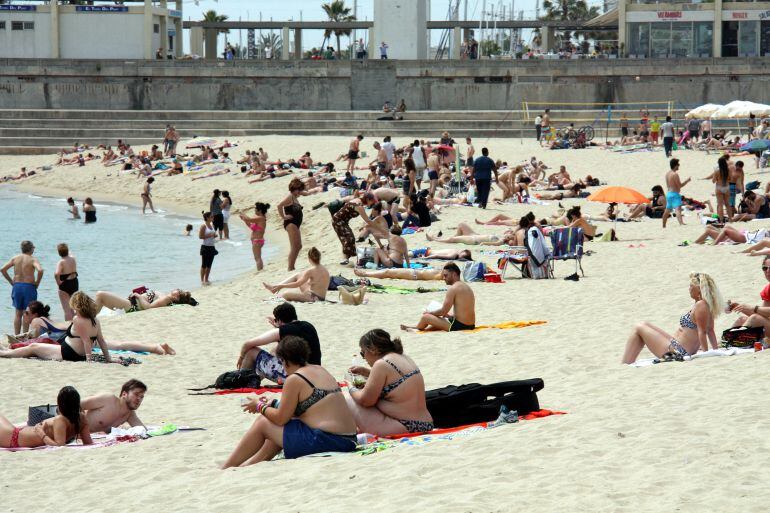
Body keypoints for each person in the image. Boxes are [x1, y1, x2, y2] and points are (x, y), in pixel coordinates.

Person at [223, 336, 356, 467]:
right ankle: (250, 464)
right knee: (282, 429)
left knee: (263, 422)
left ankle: (227, 466)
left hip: (330, 441)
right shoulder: (320, 370)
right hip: (348, 440)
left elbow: (281, 418)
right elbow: (307, 408)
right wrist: (273, 404)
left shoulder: (295, 379)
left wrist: (260, 406)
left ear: (284, 360)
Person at [346, 329, 433, 435]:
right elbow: (394, 380)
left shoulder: (381, 364)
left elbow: (366, 400)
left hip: (406, 426)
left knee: (348, 398)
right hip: (426, 424)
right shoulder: (403, 357)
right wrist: (367, 372)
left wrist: (350, 385)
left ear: (373, 349)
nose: (364, 358)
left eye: (363, 353)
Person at [622, 273, 722, 363]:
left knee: (639, 327)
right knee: (645, 324)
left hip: (677, 351)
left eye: (691, 286)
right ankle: (627, 363)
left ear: (699, 289)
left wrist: (706, 354)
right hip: (676, 345)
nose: (689, 289)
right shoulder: (704, 305)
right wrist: (715, 350)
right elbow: (710, 330)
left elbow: (703, 332)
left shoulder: (701, 305)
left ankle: (625, 365)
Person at [0, 292, 112, 363]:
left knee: (33, 347)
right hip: (76, 353)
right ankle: (8, 350)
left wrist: (89, 360)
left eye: (74, 307)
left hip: (68, 353)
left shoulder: (78, 320)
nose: (73, 310)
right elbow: (101, 340)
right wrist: (108, 359)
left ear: (77, 306)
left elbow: (86, 341)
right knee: (36, 347)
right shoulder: (95, 320)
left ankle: (5, 353)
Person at [237, 303, 322, 384]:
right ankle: (255, 378)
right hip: (314, 374)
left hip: (297, 376)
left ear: (280, 320)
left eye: (275, 320)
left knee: (251, 351)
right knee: (275, 350)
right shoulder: (308, 326)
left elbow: (247, 344)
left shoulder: (281, 331)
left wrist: (241, 358)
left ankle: (241, 381)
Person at [0, 386, 92, 449]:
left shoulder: (60, 420)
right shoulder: (82, 418)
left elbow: (60, 447)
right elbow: (88, 442)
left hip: (13, 438)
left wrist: (41, 434)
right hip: (14, 435)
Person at [401, 263, 476, 332]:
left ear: (454, 274)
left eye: (446, 275)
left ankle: (417, 328)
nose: (443, 278)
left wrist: (430, 313)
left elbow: (443, 311)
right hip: (471, 325)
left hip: (460, 326)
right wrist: (449, 315)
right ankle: (421, 329)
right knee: (443, 318)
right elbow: (465, 310)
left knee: (426, 317)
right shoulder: (466, 287)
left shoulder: (453, 288)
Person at [1, 240, 43, 334]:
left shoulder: (15, 258)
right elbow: (40, 270)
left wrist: (11, 281)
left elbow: (3, 269)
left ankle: (16, 336)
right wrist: (37, 282)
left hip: (17, 286)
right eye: (33, 248)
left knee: (17, 313)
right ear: (31, 249)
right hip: (29, 287)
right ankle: (24, 335)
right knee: (27, 312)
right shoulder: (32, 259)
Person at [263, 247, 329, 302]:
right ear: (319, 257)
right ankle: (274, 287)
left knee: (286, 294)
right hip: (320, 296)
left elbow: (297, 284)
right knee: (298, 275)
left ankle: (277, 289)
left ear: (309, 259)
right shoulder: (325, 269)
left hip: (314, 298)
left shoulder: (311, 271)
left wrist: (282, 286)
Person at [81, 379, 147, 434]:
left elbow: (143, 430)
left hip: (89, 439)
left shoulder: (129, 414)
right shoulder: (108, 399)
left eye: (141, 397)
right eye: (136, 394)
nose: (139, 399)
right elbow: (76, 404)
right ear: (124, 394)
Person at [332, 193, 378, 265]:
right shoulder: (359, 206)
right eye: (372, 201)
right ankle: (345, 259)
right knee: (349, 238)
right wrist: (378, 227)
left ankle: (346, 259)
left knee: (347, 239)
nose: (373, 204)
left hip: (341, 220)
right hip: (338, 220)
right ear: (368, 200)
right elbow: (367, 220)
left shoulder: (358, 201)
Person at [277, 178, 309, 271]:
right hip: (291, 224)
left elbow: (306, 192)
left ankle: (291, 266)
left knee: (298, 246)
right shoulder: (290, 197)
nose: (300, 192)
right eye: (299, 190)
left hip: (295, 224)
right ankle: (290, 267)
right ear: (295, 189)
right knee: (294, 246)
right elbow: (279, 206)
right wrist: (283, 216)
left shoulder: (295, 196)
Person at [94, 288, 196, 314]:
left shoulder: (166, 298)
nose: (176, 289)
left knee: (100, 295)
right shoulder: (166, 297)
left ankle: (88, 319)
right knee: (100, 300)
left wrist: (139, 295)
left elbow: (149, 307)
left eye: (178, 290)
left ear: (176, 296)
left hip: (130, 306)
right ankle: (88, 317)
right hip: (130, 304)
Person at [426, 222, 516, 246]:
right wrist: (509, 232)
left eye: (511, 235)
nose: (510, 233)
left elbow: (495, 244)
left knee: (454, 239)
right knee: (461, 224)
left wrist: (484, 243)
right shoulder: (503, 235)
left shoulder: (501, 240)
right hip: (475, 235)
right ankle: (447, 239)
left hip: (475, 240)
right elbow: (509, 229)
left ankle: (434, 239)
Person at [240, 202, 269, 271]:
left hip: (257, 240)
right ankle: (260, 270)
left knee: (257, 257)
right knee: (257, 257)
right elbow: (250, 226)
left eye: (256, 209)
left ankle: (260, 270)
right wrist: (244, 219)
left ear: (260, 211)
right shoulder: (259, 219)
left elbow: (249, 219)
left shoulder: (261, 218)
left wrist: (243, 213)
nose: (255, 211)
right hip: (257, 240)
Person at [662, 158, 691, 228]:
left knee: (667, 210)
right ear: (675, 165)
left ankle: (664, 225)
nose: (679, 166)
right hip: (674, 194)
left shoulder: (667, 174)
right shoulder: (675, 174)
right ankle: (681, 223)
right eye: (678, 164)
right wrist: (687, 181)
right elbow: (680, 185)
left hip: (668, 193)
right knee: (678, 209)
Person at [54, 243, 78, 321]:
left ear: (59, 253)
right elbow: (71, 254)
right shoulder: (73, 259)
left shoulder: (61, 262)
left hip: (65, 284)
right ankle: (76, 324)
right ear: (67, 250)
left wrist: (58, 282)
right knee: (73, 308)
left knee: (67, 310)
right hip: (74, 282)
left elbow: (57, 273)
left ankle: (68, 328)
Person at [705, 156, 730, 222]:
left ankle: (721, 220)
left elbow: (713, 181)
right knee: (727, 204)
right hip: (726, 187)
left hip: (719, 187)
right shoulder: (728, 170)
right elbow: (730, 179)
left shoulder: (717, 171)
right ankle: (730, 219)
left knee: (720, 204)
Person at [199, 211, 218, 286]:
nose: (213, 218)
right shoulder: (203, 226)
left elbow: (213, 234)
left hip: (212, 247)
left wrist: (214, 235)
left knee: (209, 265)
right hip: (205, 247)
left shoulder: (212, 225)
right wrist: (210, 235)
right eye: (211, 217)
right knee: (204, 265)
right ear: (207, 218)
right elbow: (200, 237)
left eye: (213, 216)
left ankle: (206, 279)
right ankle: (202, 280)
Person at [408, 247, 472, 260]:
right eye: (462, 256)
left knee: (407, 254)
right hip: (425, 252)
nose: (461, 257)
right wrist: (425, 258)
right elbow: (437, 255)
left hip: (427, 250)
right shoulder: (453, 255)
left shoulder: (456, 250)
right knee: (405, 254)